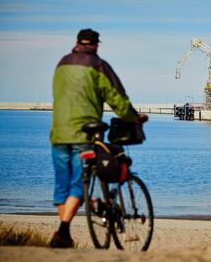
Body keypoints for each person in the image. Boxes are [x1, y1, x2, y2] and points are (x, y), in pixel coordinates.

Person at [49, 28, 147, 248]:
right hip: (83, 133)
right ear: (96, 45)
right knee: (78, 185)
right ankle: (63, 230)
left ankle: (64, 234)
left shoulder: (61, 64)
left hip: (57, 133)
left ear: (76, 43)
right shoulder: (98, 65)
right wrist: (133, 118)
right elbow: (117, 98)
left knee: (61, 186)